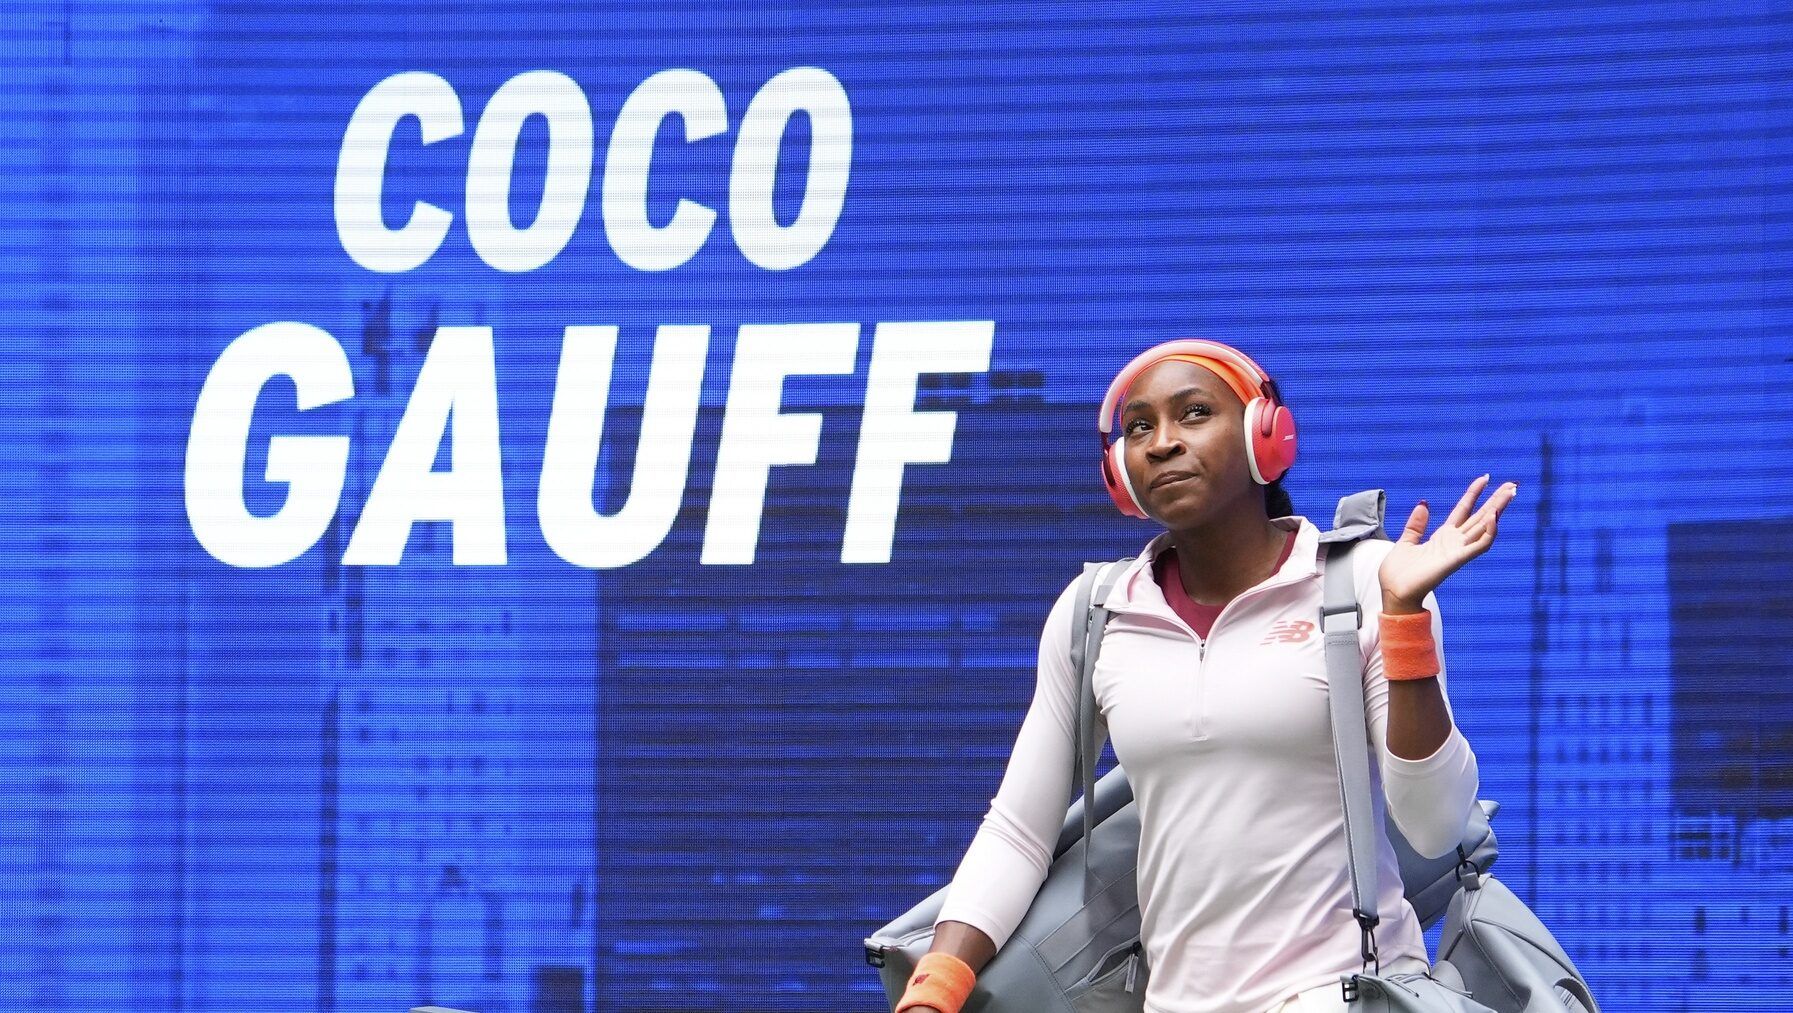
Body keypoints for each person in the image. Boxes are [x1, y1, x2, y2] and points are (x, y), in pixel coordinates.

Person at [893, 339, 1518, 1013]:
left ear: (1264, 436)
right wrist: (933, 989)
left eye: (1194, 413)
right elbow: (1019, 829)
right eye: (1139, 426)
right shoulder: (1093, 612)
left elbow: (1432, 824)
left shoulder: (1366, 579)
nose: (1162, 442)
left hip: (1344, 993)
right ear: (1119, 469)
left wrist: (1402, 621)